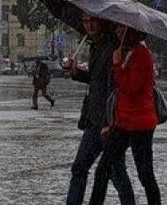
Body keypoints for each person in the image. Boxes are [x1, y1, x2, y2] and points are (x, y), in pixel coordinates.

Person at [63, 16, 134, 205]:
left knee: (116, 173)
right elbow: (96, 79)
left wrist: (110, 123)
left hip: (110, 123)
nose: (88, 25)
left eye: (92, 21)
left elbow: (115, 86)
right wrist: (76, 71)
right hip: (94, 121)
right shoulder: (96, 46)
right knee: (79, 168)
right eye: (85, 21)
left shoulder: (113, 47)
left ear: (102, 22)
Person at [92, 24, 161, 205]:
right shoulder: (127, 52)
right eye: (117, 28)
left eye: (122, 29)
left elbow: (130, 88)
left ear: (133, 31)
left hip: (140, 124)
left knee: (145, 175)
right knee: (103, 169)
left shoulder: (141, 54)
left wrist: (117, 64)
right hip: (123, 124)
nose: (117, 31)